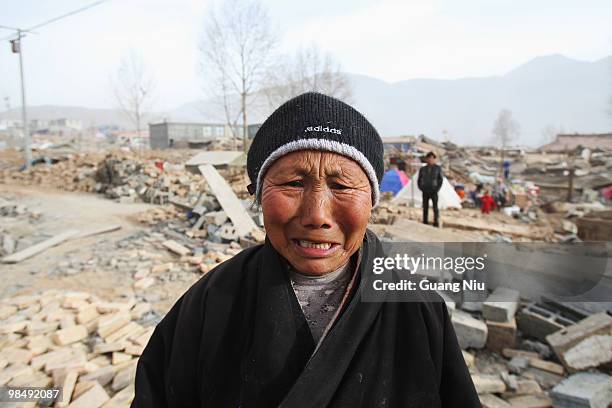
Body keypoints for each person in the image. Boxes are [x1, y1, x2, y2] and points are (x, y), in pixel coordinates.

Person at [131, 92, 480, 407]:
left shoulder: (416, 308)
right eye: (294, 183)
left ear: (371, 200)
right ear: (257, 194)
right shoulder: (211, 302)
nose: (317, 215)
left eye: (342, 185)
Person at [417, 151, 444, 227]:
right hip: (425, 190)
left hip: (434, 191)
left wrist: (437, 189)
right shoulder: (423, 169)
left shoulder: (438, 168)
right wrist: (421, 188)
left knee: (435, 207)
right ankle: (425, 222)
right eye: (429, 158)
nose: (430, 160)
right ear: (426, 159)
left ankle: (436, 222)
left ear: (434, 159)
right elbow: (419, 179)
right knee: (425, 207)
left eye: (432, 158)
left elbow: (440, 180)